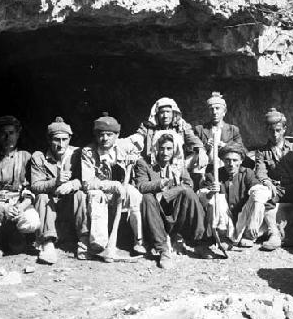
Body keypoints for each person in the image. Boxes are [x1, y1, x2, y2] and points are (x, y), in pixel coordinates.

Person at [135, 133, 206, 269]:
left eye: (169, 149)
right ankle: (163, 250)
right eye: (162, 148)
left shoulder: (178, 164)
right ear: (156, 148)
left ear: (174, 149)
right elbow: (141, 186)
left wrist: (169, 192)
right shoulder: (144, 163)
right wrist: (161, 184)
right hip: (155, 210)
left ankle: (199, 242)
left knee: (189, 193)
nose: (165, 152)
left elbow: (189, 184)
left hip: (175, 208)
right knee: (147, 197)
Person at [81, 113, 144, 261]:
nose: (105, 139)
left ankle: (138, 240)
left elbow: (138, 149)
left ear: (117, 135)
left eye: (109, 135)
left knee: (134, 194)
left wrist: (134, 157)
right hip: (102, 191)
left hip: (122, 191)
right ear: (96, 136)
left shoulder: (125, 145)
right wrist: (112, 185)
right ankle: (100, 244)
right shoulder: (88, 152)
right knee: (95, 195)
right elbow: (87, 182)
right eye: (101, 135)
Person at [31, 117, 87, 264]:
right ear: (49, 140)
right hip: (50, 207)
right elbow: (35, 185)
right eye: (57, 140)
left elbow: (86, 179)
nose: (61, 144)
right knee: (42, 197)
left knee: (81, 194)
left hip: (69, 204)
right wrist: (55, 182)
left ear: (70, 138)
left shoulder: (78, 154)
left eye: (64, 139)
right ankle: (47, 243)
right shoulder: (39, 157)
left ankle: (84, 240)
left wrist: (73, 184)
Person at [255, 108, 293, 250]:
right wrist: (267, 182)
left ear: (284, 129)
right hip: (277, 188)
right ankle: (274, 234)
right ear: (266, 131)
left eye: (278, 130)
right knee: (267, 199)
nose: (275, 134)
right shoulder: (262, 151)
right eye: (271, 131)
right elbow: (260, 171)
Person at [199, 144, 268, 253]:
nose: (231, 164)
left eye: (235, 160)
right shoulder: (214, 174)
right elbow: (202, 198)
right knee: (216, 199)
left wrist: (254, 220)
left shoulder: (247, 173)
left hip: (243, 217)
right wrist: (211, 192)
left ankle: (248, 236)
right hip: (225, 219)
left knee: (259, 194)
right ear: (222, 160)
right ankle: (222, 236)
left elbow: (259, 190)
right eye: (227, 160)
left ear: (241, 161)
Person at [0, 116, 39, 253]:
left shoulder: (26, 157)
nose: (8, 137)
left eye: (12, 133)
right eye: (4, 133)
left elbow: (30, 186)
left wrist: (21, 206)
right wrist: (3, 207)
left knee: (32, 221)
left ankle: (15, 233)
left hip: (18, 202)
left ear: (18, 134)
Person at [143, 97, 208, 177]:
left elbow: (193, 139)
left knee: (200, 156)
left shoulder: (181, 125)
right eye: (162, 112)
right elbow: (137, 137)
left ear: (173, 113)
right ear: (157, 114)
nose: (165, 116)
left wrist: (201, 150)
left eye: (168, 112)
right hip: (156, 163)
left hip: (179, 162)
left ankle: (197, 185)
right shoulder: (149, 127)